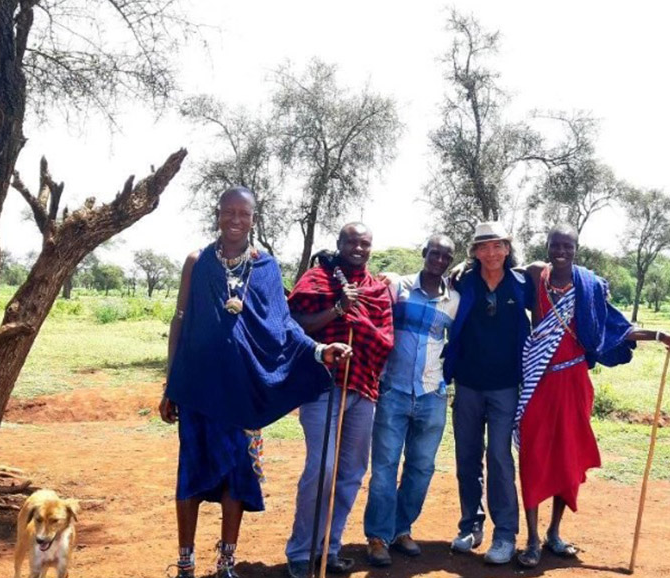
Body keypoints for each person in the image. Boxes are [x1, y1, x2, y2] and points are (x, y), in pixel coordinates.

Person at [160, 186, 352, 578]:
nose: (235, 219)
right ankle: (185, 563)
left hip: (245, 391)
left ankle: (227, 562)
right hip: (198, 388)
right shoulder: (196, 262)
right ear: (217, 214)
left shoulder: (265, 267)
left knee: (237, 476)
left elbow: (283, 325)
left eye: (243, 213)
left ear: (253, 218)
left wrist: (318, 351)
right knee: (192, 475)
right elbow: (180, 320)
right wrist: (170, 384)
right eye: (228, 211)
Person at [515, 224, 670, 568]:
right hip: (539, 381)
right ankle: (531, 539)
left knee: (568, 456)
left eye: (567, 246)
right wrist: (464, 269)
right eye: (555, 245)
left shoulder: (589, 286)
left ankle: (553, 533)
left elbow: (615, 327)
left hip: (575, 383)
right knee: (533, 457)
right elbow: (498, 270)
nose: (560, 251)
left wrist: (658, 334)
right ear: (547, 247)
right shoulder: (535, 275)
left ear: (576, 249)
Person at [285, 223, 394, 578]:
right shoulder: (316, 280)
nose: (358, 248)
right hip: (323, 388)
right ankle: (301, 552)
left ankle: (329, 548)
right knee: (322, 469)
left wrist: (357, 320)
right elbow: (294, 326)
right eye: (352, 242)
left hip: (363, 390)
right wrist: (337, 309)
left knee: (350, 473)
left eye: (365, 243)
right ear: (339, 244)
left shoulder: (377, 290)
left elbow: (386, 341)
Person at [363, 235, 461, 567]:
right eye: (434, 254)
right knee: (384, 469)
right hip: (393, 391)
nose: (439, 260)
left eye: (445, 256)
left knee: (421, 469)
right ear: (424, 254)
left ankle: (401, 529)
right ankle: (377, 536)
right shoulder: (398, 288)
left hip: (432, 395)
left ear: (450, 260)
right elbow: (374, 313)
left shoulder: (455, 300)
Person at [442, 221, 536, 565]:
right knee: (467, 457)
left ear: (508, 249)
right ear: (475, 252)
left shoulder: (523, 283)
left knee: (499, 456)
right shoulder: (463, 281)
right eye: (484, 247)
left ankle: (506, 533)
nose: (492, 253)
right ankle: (470, 525)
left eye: (498, 246)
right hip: (466, 384)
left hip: (506, 387)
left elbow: (553, 282)